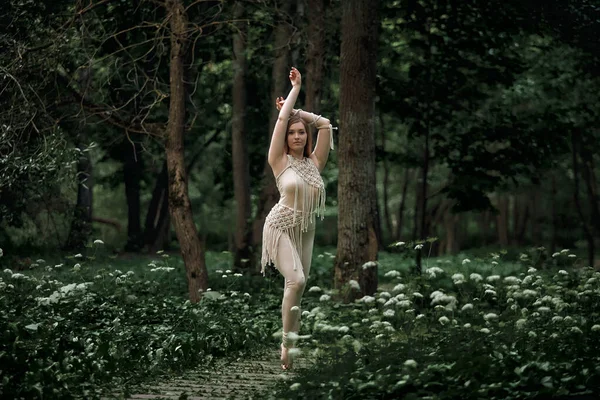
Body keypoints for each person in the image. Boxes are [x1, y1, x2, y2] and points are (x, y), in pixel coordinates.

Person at [261, 67, 334, 370]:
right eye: (291, 132)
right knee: (297, 279)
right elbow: (281, 121)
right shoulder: (279, 161)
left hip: (306, 230)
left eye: (300, 131)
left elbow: (327, 123)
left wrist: (300, 113)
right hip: (279, 226)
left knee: (299, 290)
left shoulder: (316, 161)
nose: (295, 135)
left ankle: (291, 343)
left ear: (306, 135)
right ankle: (286, 344)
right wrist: (295, 89)